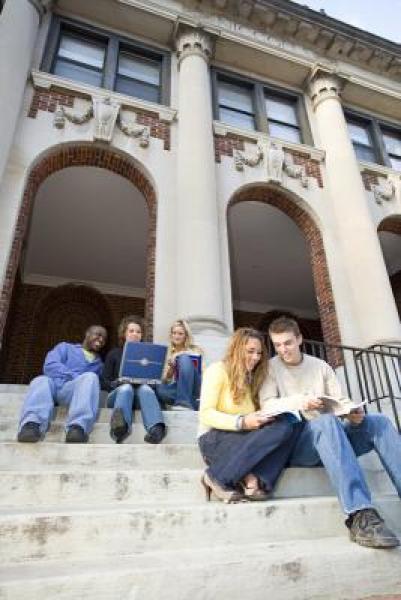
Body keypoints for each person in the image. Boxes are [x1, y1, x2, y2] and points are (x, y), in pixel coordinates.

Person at [260, 316, 401, 549]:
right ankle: (360, 515)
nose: (283, 349)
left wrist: (352, 412)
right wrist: (302, 401)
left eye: (288, 343)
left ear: (300, 339)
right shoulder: (270, 368)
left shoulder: (321, 366)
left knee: (379, 421)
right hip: (300, 443)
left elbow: (340, 400)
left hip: (334, 436)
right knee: (325, 422)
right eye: (278, 345)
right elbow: (267, 405)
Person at [198, 327, 300, 503]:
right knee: (281, 429)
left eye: (259, 353)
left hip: (243, 437)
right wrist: (242, 421)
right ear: (237, 349)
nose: (256, 358)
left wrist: (264, 416)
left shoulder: (252, 379)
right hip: (213, 438)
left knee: (291, 425)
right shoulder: (217, 370)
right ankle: (217, 477)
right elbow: (206, 414)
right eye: (250, 351)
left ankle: (257, 479)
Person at [17, 325, 107, 444]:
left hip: (73, 394)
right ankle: (32, 424)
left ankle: (77, 427)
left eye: (104, 339)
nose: (101, 340)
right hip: (52, 388)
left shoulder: (99, 364)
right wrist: (74, 376)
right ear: (87, 334)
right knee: (41, 380)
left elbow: (98, 385)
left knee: (91, 377)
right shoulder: (65, 348)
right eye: (98, 334)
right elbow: (50, 365)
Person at [101, 316, 166, 444]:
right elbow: (104, 381)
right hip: (118, 395)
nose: (135, 334)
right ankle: (120, 427)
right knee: (126, 388)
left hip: (141, 397)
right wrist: (118, 383)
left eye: (138, 331)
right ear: (124, 334)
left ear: (142, 335)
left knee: (145, 389)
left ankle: (156, 428)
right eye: (131, 331)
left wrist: (147, 381)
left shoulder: (149, 356)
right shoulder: (114, 353)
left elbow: (155, 384)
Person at [156, 319, 203, 410]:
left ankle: (183, 403)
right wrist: (171, 369)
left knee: (184, 358)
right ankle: (191, 403)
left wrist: (179, 356)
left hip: (194, 387)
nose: (176, 336)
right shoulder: (167, 353)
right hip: (176, 389)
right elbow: (165, 381)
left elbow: (201, 373)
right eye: (174, 333)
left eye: (180, 334)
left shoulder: (196, 350)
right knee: (158, 388)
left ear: (186, 336)